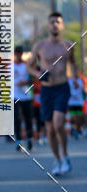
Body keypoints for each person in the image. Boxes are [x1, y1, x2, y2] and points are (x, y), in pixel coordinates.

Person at [28, 12, 77, 176]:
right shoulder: (39, 46)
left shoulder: (68, 45)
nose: (55, 24)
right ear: (48, 26)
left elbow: (73, 64)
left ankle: (65, 155)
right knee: (49, 129)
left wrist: (75, 78)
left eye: (58, 22)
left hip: (62, 87)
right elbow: (29, 66)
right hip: (46, 90)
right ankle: (57, 159)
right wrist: (38, 74)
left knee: (58, 123)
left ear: (62, 25)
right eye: (52, 22)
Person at [13, 45, 33, 151]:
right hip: (14, 96)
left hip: (26, 96)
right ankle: (19, 141)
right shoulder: (9, 66)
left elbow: (34, 79)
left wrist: (25, 82)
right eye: (16, 52)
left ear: (21, 53)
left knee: (27, 118)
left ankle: (29, 138)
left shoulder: (26, 66)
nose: (18, 54)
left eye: (19, 52)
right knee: (17, 118)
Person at [67, 74, 85, 138]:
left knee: (78, 118)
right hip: (71, 102)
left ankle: (78, 130)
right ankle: (74, 128)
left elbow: (83, 89)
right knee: (73, 118)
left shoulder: (80, 80)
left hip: (79, 102)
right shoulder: (69, 80)